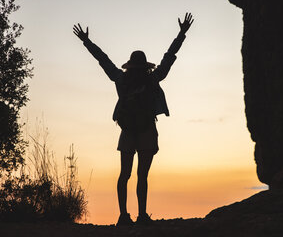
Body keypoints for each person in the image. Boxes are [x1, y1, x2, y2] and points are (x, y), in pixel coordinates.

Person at [73, 13, 194, 226]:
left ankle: (123, 216)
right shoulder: (153, 77)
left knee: (124, 175)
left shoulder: (121, 79)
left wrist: (86, 42)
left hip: (128, 130)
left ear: (129, 65)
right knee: (142, 176)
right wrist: (182, 33)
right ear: (146, 65)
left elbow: (104, 60)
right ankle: (142, 215)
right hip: (146, 129)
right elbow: (169, 57)